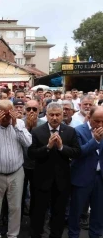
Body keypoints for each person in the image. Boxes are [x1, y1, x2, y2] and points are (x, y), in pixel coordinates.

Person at [28, 102, 81, 238]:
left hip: (62, 180)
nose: (55, 118)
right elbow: (31, 154)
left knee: (59, 213)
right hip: (41, 180)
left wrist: (62, 147)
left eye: (58, 115)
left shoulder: (70, 131)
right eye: (51, 115)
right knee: (38, 212)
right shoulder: (37, 131)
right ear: (46, 115)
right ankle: (36, 234)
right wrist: (48, 147)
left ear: (63, 115)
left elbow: (76, 152)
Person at [0, 99, 32, 238]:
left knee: (15, 207)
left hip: (16, 172)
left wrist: (16, 125)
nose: (6, 119)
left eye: (9, 116)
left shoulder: (20, 123)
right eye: (3, 116)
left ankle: (13, 235)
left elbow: (28, 142)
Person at [69, 106, 103, 238]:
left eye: (102, 121)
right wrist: (94, 140)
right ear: (88, 117)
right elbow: (78, 153)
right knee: (76, 211)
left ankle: (95, 235)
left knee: (98, 212)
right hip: (81, 177)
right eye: (96, 121)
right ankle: (73, 235)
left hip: (100, 178)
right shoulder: (78, 131)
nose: (100, 124)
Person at [21, 99, 45, 218]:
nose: (31, 112)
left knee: (37, 194)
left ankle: (35, 218)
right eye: (28, 109)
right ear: (25, 110)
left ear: (39, 110)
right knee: (20, 194)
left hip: (38, 165)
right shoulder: (19, 123)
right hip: (22, 164)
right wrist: (27, 127)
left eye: (34, 109)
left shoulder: (44, 124)